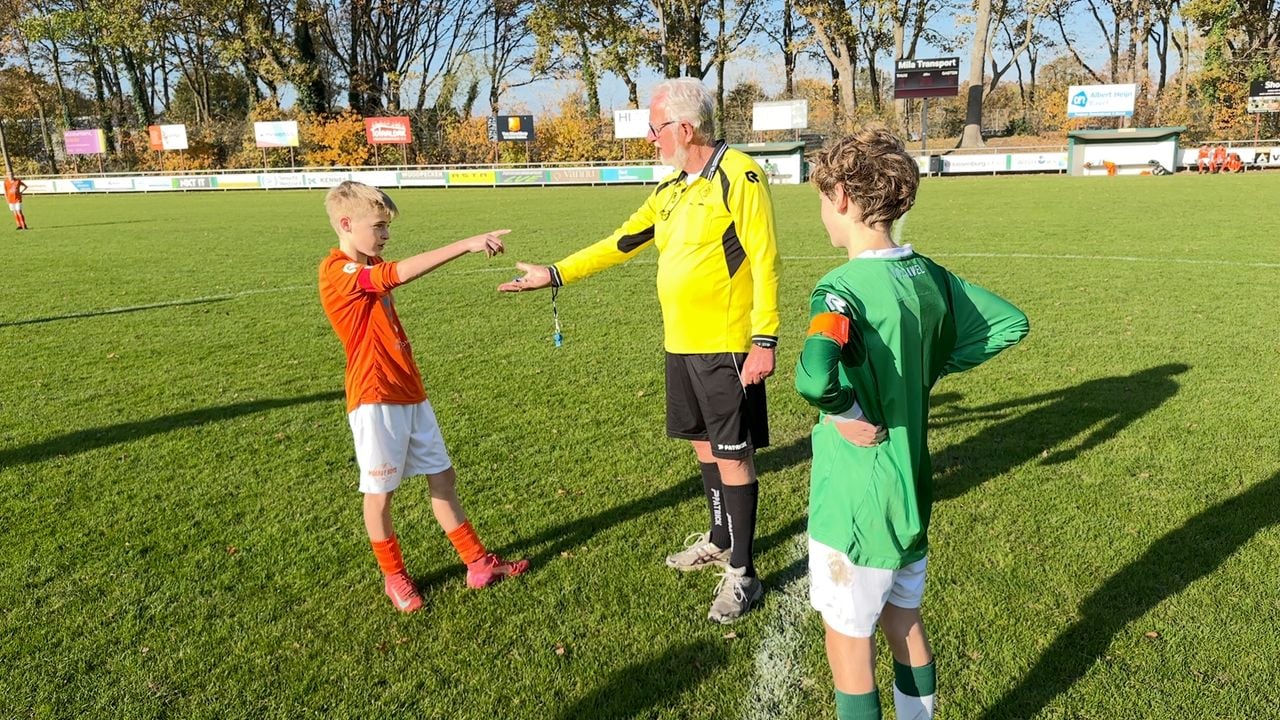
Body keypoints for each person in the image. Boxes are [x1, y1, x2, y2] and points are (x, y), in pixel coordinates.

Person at [498, 77, 781, 623]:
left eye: (656, 128)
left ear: (685, 127)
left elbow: (765, 259)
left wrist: (764, 339)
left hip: (727, 347)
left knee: (733, 455)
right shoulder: (670, 190)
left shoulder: (738, 175)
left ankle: (743, 572)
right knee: (702, 446)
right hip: (681, 346)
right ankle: (721, 539)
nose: (651, 138)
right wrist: (554, 273)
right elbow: (619, 243)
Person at [795, 126, 1030, 720]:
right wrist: (920, 370)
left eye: (822, 198)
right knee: (904, 620)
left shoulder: (839, 289)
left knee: (849, 645)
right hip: (912, 492)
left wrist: (846, 411)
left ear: (843, 197)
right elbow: (1008, 323)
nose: (821, 211)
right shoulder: (929, 275)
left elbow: (813, 378)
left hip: (857, 496)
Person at [318, 181, 529, 613]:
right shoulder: (337, 271)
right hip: (374, 398)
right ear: (346, 223)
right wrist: (466, 244)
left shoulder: (366, 264)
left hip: (410, 392)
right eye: (378, 226)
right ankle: (394, 577)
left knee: (443, 477)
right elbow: (390, 274)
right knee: (380, 494)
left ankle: (478, 564)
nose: (385, 235)